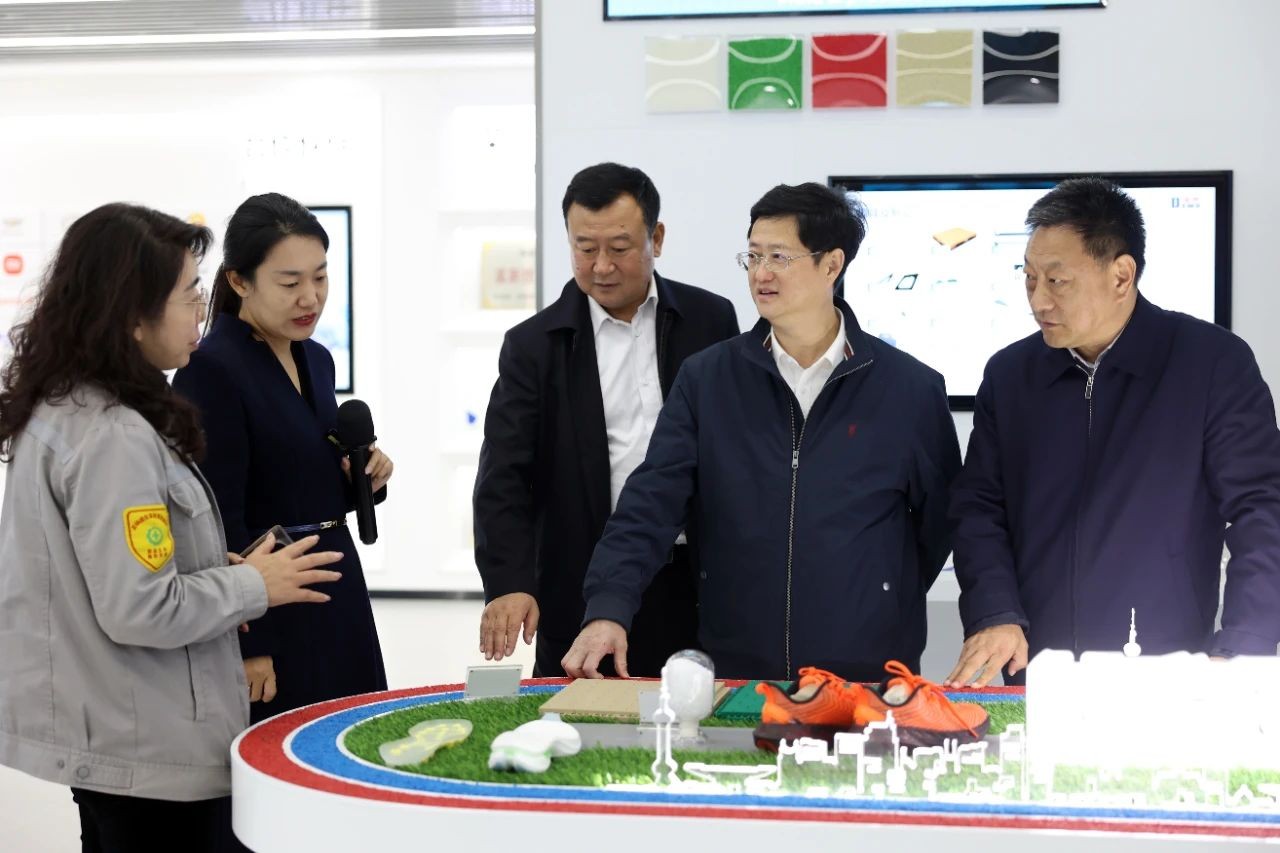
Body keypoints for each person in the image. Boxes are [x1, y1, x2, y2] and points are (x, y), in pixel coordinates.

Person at [0, 203, 343, 852]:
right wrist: (255, 585)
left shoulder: (72, 409)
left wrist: (225, 570)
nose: (200, 314)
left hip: (123, 734)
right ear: (132, 315)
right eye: (188, 296)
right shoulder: (111, 436)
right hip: (147, 747)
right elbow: (141, 605)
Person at [562, 182, 961, 681]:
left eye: (779, 257)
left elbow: (941, 523)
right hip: (738, 663)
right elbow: (651, 502)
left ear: (832, 265)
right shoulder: (708, 380)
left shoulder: (909, 388)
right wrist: (608, 606)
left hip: (869, 670)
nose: (761, 273)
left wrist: (881, 591)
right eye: (752, 256)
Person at [946, 177, 1280, 687]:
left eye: (1057, 281)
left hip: (1167, 667)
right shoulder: (1011, 375)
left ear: (1122, 275)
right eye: (1029, 278)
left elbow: (1262, 510)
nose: (1038, 301)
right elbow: (979, 508)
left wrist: (1243, 646)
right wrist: (994, 612)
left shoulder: (1210, 363)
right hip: (1037, 666)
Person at [473, 162, 739, 677]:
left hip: (699, 577)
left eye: (619, 248)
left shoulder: (710, 320)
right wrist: (509, 582)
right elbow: (504, 475)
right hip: (584, 582)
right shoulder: (534, 346)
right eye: (584, 248)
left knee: (702, 712)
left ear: (656, 239)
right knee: (581, 717)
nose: (601, 266)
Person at [173, 193, 393, 723]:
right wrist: (250, 641)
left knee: (351, 738)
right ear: (239, 281)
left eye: (320, 277)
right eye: (290, 283)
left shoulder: (316, 359)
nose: (310, 298)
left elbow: (299, 479)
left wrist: (363, 479)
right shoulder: (211, 370)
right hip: (270, 605)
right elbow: (217, 519)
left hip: (338, 584)